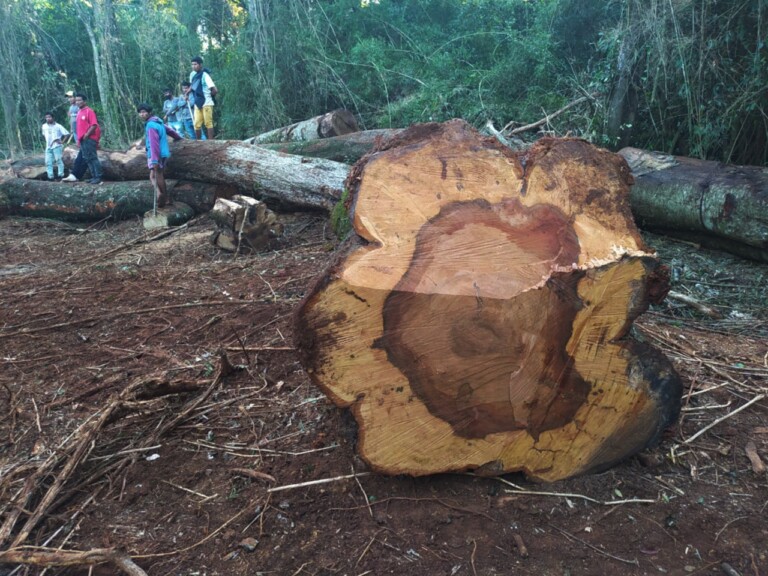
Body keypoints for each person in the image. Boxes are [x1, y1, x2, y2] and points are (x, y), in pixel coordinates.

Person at [137, 103, 181, 207]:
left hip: (156, 154)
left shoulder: (151, 125)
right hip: (164, 153)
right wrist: (178, 137)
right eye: (140, 113)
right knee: (156, 175)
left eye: (144, 112)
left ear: (149, 112)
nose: (142, 114)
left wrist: (154, 160)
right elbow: (170, 130)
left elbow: (154, 144)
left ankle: (162, 195)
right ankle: (164, 197)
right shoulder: (158, 121)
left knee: (155, 176)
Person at [61, 93, 103, 184]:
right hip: (82, 140)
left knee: (92, 158)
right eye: (76, 100)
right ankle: (93, 177)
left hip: (89, 139)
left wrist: (87, 135)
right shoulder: (79, 112)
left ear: (84, 101)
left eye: (80, 100)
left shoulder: (89, 111)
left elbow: (94, 125)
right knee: (87, 159)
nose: (78, 102)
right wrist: (79, 140)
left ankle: (98, 177)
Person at [189, 55, 217, 140]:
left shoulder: (205, 75)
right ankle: (198, 142)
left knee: (208, 123)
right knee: (196, 124)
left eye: (195, 64)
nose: (194, 66)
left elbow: (215, 90)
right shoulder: (193, 75)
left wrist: (209, 96)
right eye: (192, 64)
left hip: (206, 102)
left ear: (200, 65)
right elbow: (192, 87)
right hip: (197, 103)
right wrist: (187, 94)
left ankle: (210, 142)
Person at [41, 112, 70, 180]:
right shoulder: (44, 126)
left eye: (49, 117)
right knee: (48, 162)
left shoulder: (58, 126)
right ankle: (50, 176)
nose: (48, 119)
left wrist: (62, 141)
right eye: (46, 117)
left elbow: (67, 134)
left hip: (57, 145)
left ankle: (61, 175)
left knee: (58, 160)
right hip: (48, 146)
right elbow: (44, 135)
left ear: (53, 118)